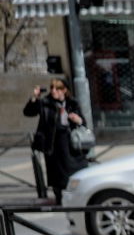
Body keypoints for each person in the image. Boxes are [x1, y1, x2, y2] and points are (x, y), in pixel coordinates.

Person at [23, 75, 87, 203]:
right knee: (56, 174)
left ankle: (76, 196)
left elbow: (83, 122)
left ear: (64, 90)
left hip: (70, 143)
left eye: (57, 88)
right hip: (52, 143)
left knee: (74, 171)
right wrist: (35, 97)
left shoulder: (72, 103)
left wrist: (78, 120)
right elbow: (28, 112)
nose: (53, 91)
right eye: (52, 88)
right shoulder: (45, 103)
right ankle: (59, 198)